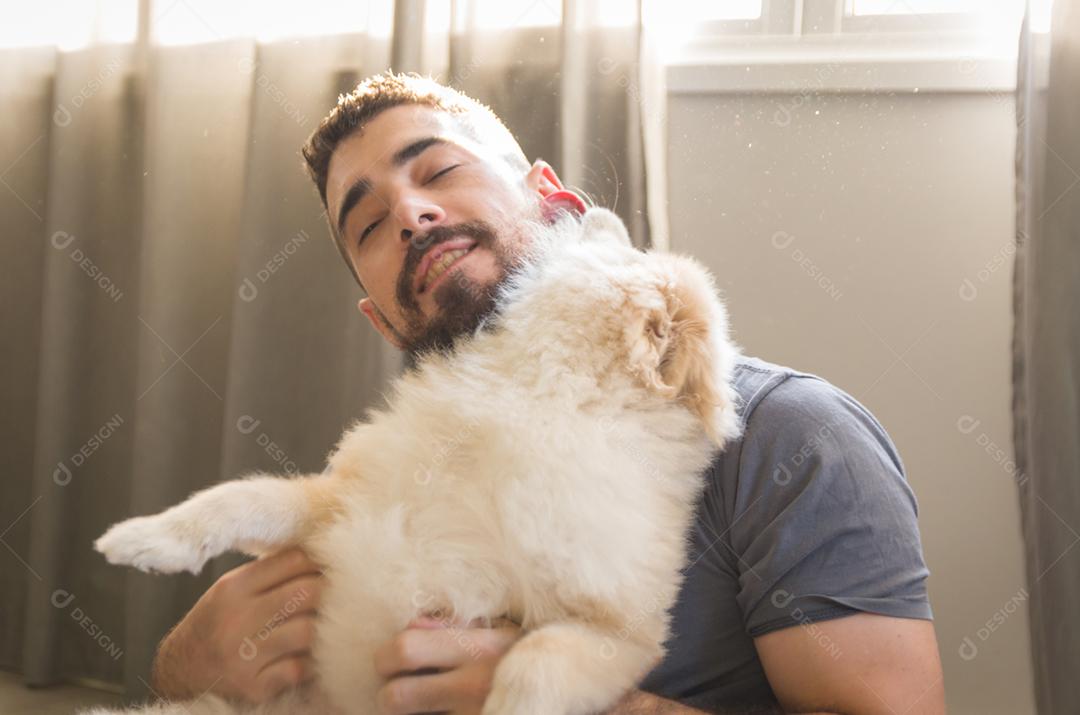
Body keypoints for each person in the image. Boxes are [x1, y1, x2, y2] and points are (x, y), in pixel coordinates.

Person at [149, 72, 945, 714]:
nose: (411, 214)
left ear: (556, 200)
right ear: (384, 322)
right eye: (368, 225)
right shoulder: (396, 483)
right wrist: (184, 671)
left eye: (439, 171)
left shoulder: (789, 438)